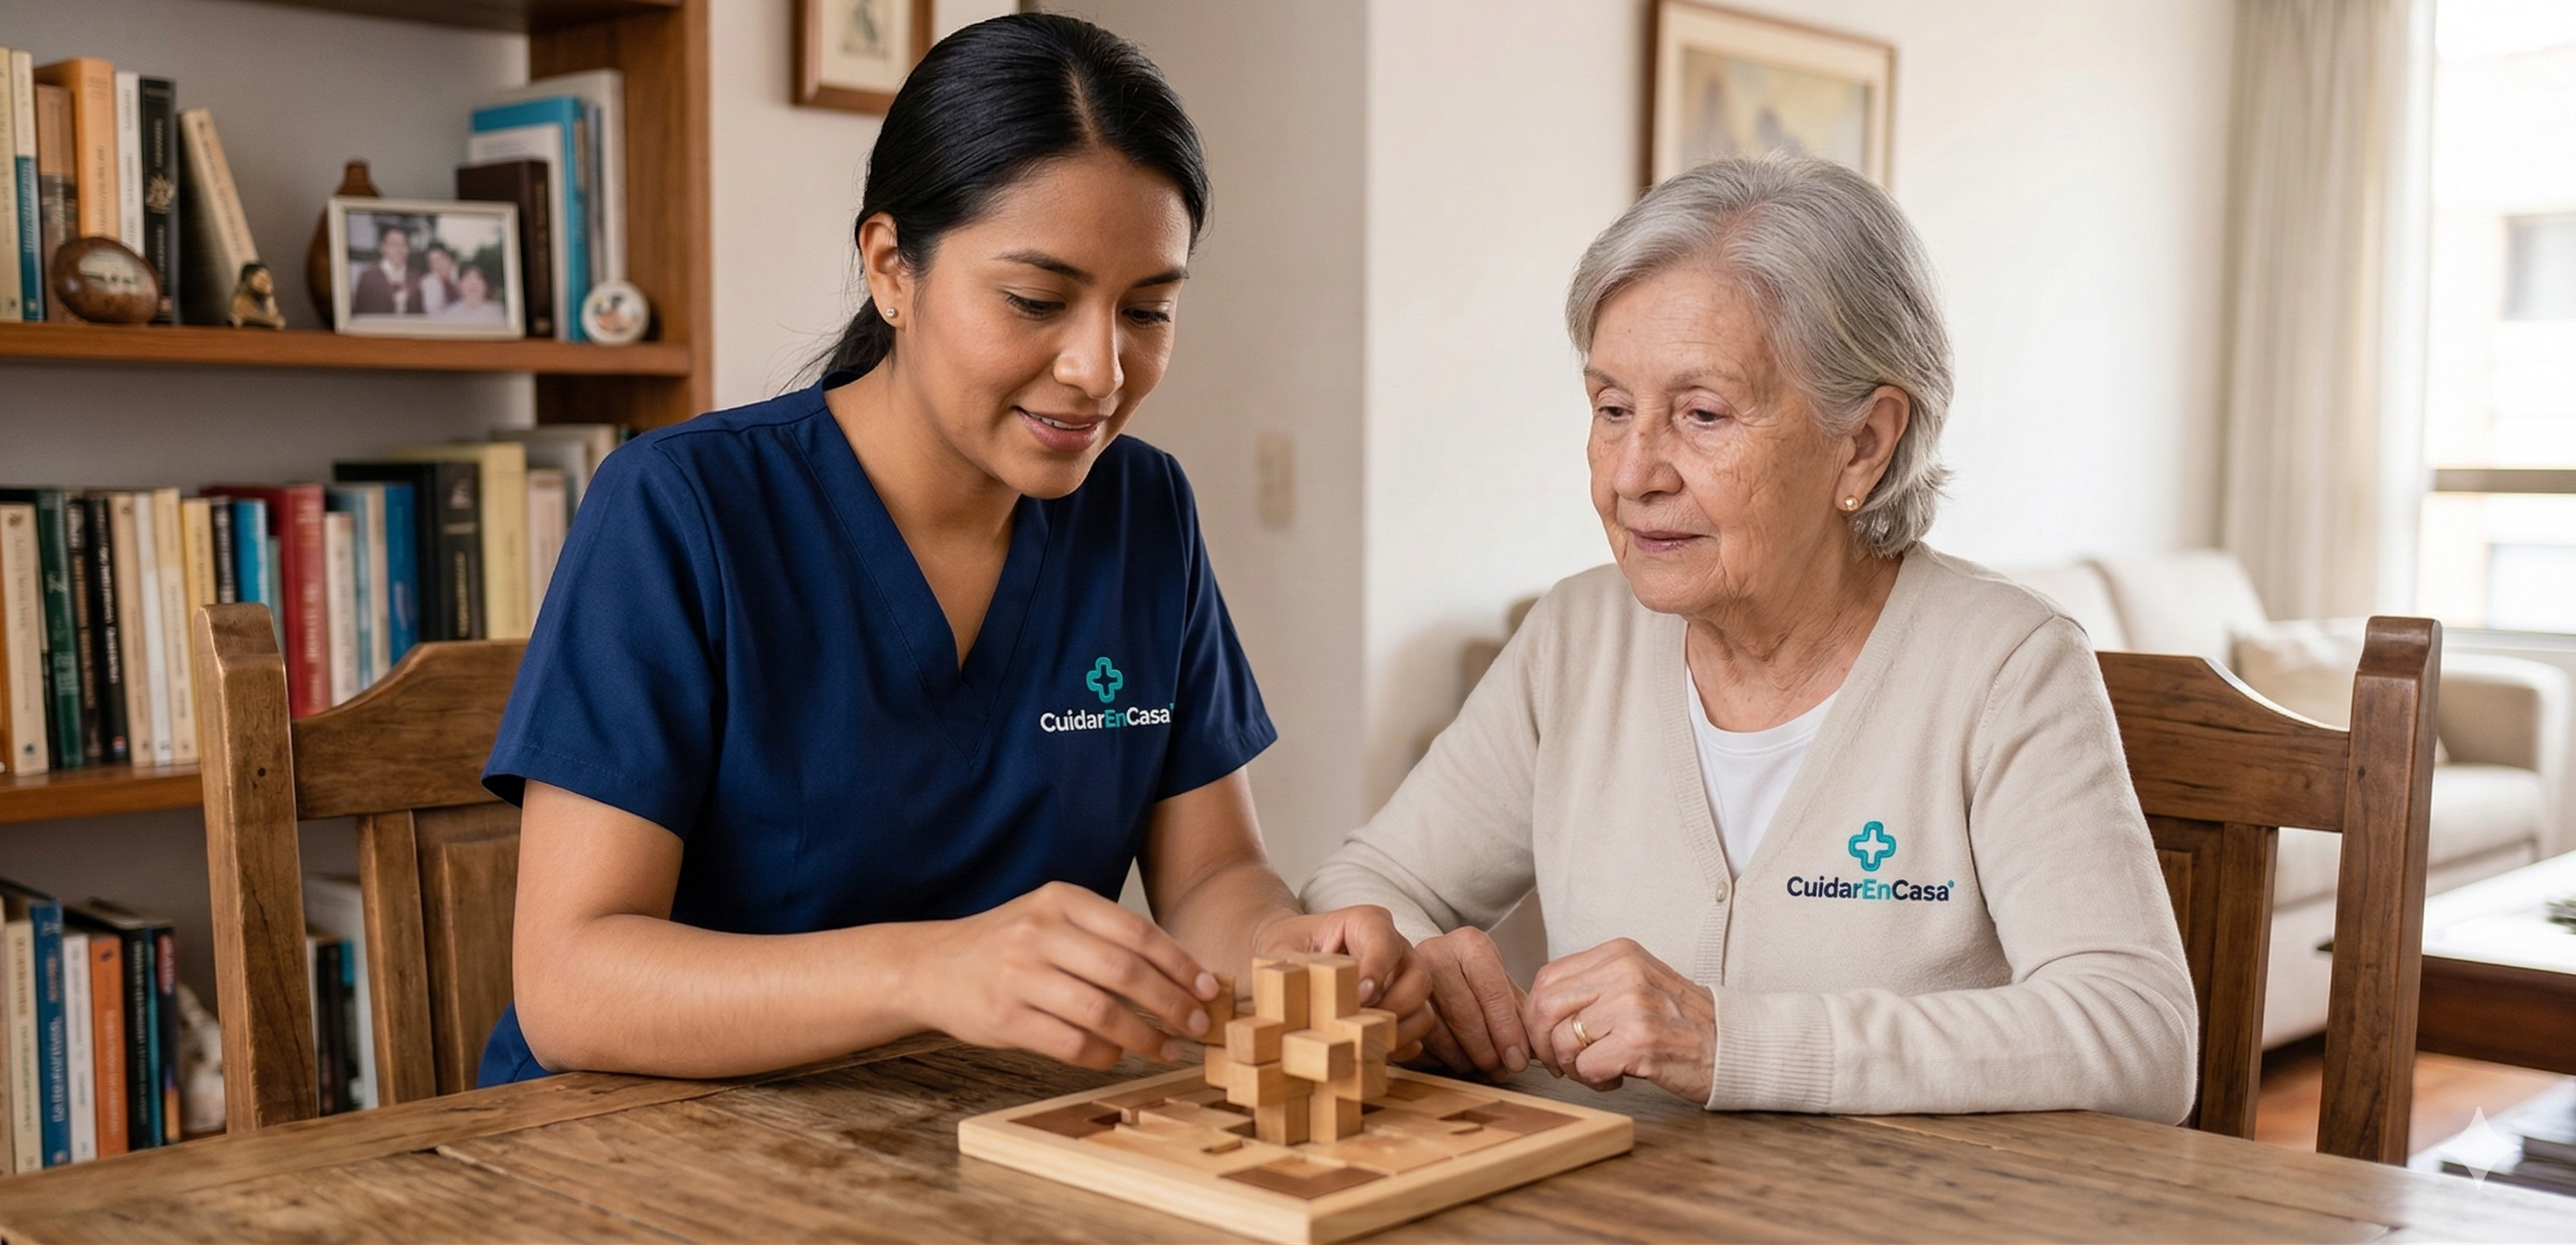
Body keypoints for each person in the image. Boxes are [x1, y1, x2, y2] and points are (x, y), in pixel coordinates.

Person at [480, 13, 1433, 1087]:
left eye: (1149, 311)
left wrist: (1284, 954)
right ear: (892, 268)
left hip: (972, 1135)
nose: (1099, 369)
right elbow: (571, 985)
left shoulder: (1144, 509)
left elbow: (1213, 873)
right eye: (1036, 300)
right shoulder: (678, 508)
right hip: (639, 1145)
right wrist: (928, 970)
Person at [1301, 156, 2198, 1123]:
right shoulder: (1575, 639)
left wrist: (1727, 1038)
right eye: (1610, 409)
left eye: (1702, 414)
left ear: (1864, 442)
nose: (1633, 473)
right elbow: (1365, 883)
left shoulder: (2005, 666)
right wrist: (1402, 956)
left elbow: (2137, 1036)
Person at [349, 222, 419, 315]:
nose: (399, 249)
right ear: (383, 247)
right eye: (394, 244)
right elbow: (360, 313)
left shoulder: (417, 277)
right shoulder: (368, 277)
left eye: (404, 244)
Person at [435, 262, 507, 324]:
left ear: (486, 285)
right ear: (459, 285)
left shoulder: (498, 314)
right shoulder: (449, 314)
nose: (473, 283)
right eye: (467, 277)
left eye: (478, 278)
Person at [420, 242, 461, 315]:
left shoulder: (463, 276)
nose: (437, 265)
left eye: (440, 259)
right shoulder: (429, 282)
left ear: (449, 258)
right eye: (432, 262)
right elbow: (432, 311)